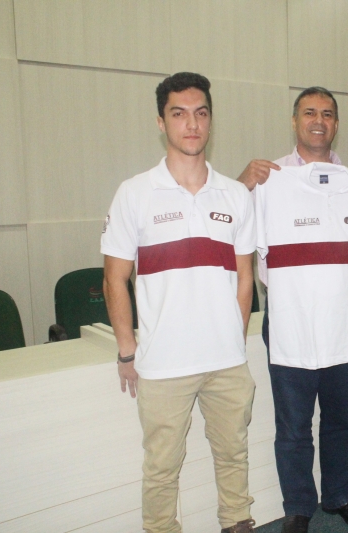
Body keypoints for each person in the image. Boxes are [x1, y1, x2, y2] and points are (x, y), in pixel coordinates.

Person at [237, 87, 348, 533]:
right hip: (290, 320)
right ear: (295, 121)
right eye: (309, 112)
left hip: (346, 319)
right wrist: (240, 184)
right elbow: (228, 226)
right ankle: (297, 507)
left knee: (341, 419)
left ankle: (339, 495)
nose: (318, 121)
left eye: (327, 114)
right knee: (293, 424)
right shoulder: (270, 179)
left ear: (336, 124)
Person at [101, 72, 257, 533]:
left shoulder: (235, 194)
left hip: (226, 362)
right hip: (163, 364)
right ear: (161, 122)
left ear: (211, 120)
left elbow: (245, 278)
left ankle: (236, 522)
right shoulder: (135, 193)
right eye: (179, 114)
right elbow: (114, 279)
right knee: (162, 469)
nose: (192, 124)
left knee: (234, 455)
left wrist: (234, 339)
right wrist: (127, 349)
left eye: (201, 113)